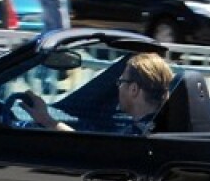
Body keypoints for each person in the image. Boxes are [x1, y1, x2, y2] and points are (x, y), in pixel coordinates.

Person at [23, 51, 174, 134]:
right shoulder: (169, 128)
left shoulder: (135, 136)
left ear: (134, 90)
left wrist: (47, 121)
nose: (118, 88)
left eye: (121, 83)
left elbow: (88, 149)